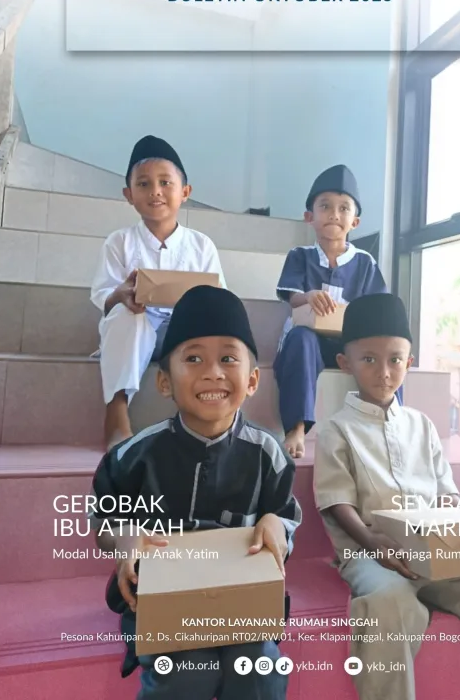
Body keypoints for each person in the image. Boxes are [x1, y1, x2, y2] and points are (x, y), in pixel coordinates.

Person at [313, 293, 460, 700]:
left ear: (409, 362)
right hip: (372, 556)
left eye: (395, 359)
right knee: (389, 602)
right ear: (345, 362)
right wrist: (372, 542)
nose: (383, 372)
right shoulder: (337, 430)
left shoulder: (421, 426)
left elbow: (447, 496)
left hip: (437, 555)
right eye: (369, 359)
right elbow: (336, 501)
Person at [90, 285, 302, 700]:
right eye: (193, 358)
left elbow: (284, 515)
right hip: (160, 601)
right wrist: (123, 536)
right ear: (164, 381)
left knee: (260, 669)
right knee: (187, 673)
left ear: (253, 380)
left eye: (228, 358)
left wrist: (276, 526)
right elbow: (104, 519)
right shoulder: (134, 455)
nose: (213, 372)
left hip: (241, 600)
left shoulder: (269, 454)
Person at [91, 135, 225, 449]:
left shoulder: (201, 245)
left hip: (179, 335)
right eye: (143, 184)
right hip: (135, 333)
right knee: (128, 314)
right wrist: (121, 295)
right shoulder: (119, 242)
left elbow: (219, 296)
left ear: (185, 192)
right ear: (129, 195)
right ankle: (117, 412)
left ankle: (205, 418)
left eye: (165, 182)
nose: (155, 191)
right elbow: (103, 295)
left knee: (211, 326)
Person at [274, 164, 392, 459]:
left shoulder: (364, 263)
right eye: (325, 206)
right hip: (308, 344)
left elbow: (377, 308)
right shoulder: (300, 256)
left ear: (355, 221)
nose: (334, 214)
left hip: (346, 344)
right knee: (301, 338)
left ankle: (390, 425)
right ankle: (296, 427)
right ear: (309, 217)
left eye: (343, 208)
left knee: (385, 348)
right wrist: (308, 296)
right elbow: (291, 297)